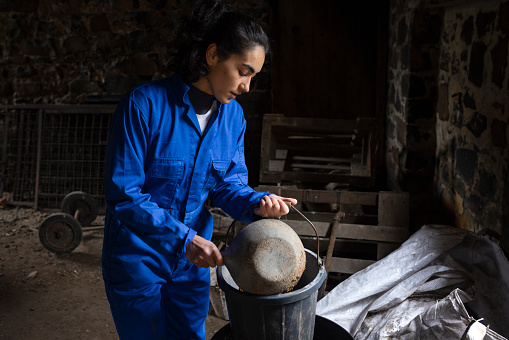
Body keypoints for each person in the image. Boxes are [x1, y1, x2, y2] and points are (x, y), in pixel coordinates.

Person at [102, 1, 297, 339]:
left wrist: (257, 203)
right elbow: (125, 195)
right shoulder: (143, 106)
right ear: (212, 56)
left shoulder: (233, 117)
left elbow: (228, 185)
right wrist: (183, 238)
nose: (247, 87)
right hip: (138, 259)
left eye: (254, 76)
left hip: (193, 263)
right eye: (243, 71)